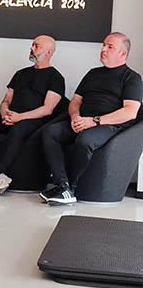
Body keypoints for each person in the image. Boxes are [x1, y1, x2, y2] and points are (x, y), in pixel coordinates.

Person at [40, 32, 142, 206]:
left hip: (108, 124)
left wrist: (94, 121)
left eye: (110, 47)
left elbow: (130, 112)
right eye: (103, 45)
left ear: (122, 53)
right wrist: (75, 117)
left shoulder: (132, 78)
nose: (103, 49)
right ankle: (62, 185)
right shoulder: (93, 74)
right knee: (50, 132)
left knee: (85, 140)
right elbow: (75, 101)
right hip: (82, 120)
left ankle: (71, 187)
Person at [0, 36, 65, 196]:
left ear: (49, 52)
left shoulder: (56, 78)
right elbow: (7, 99)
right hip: (10, 113)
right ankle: (0, 176)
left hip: (34, 117)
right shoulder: (21, 73)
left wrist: (19, 117)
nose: (32, 48)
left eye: (37, 46)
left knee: (17, 131)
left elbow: (47, 109)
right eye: (32, 45)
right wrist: (5, 112)